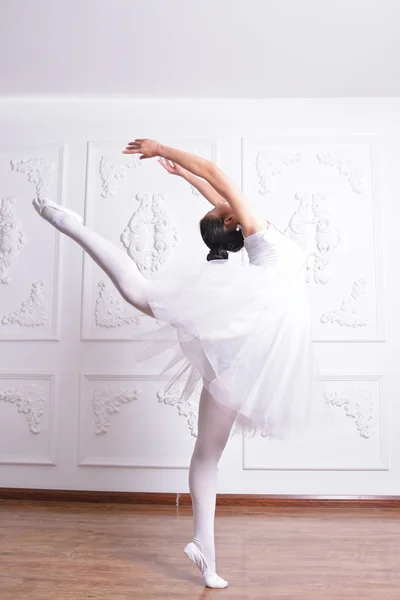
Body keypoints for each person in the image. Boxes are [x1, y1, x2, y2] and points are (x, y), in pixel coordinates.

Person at [33, 138, 313, 589]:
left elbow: (214, 177)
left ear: (228, 221)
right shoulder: (260, 232)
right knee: (207, 452)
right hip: (253, 343)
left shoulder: (255, 229)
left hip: (245, 339)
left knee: (142, 296)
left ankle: (72, 226)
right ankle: (206, 551)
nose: (221, 204)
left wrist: (173, 160)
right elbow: (219, 190)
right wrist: (179, 168)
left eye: (217, 209)